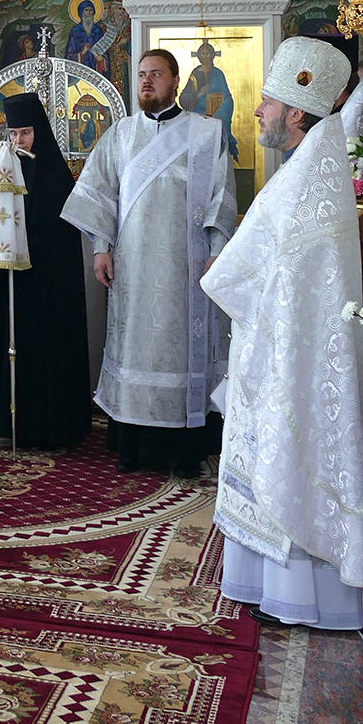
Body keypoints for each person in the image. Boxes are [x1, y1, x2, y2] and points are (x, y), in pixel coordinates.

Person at [203, 36, 363, 628]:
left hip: (289, 347)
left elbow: (279, 267)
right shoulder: (309, 166)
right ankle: (265, 580)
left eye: (268, 102)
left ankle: (300, 589)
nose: (257, 111)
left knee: (287, 454)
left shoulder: (308, 178)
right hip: (277, 336)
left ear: (296, 111)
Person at [61, 48, 237, 475]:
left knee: (179, 354)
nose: (146, 82)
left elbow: (222, 198)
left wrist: (215, 252)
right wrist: (101, 247)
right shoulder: (120, 135)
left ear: (175, 80)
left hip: (186, 271)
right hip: (133, 269)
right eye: (141, 75)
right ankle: (133, 447)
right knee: (133, 348)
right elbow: (98, 194)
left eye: (156, 74)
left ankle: (185, 451)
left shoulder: (207, 134)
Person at [0, 93, 91, 448]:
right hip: (14, 279)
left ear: (38, 132)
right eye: (12, 135)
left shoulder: (54, 173)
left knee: (44, 352)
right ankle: (8, 418)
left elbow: (60, 228)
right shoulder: (5, 167)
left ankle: (49, 424)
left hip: (45, 284)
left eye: (24, 134)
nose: (18, 142)